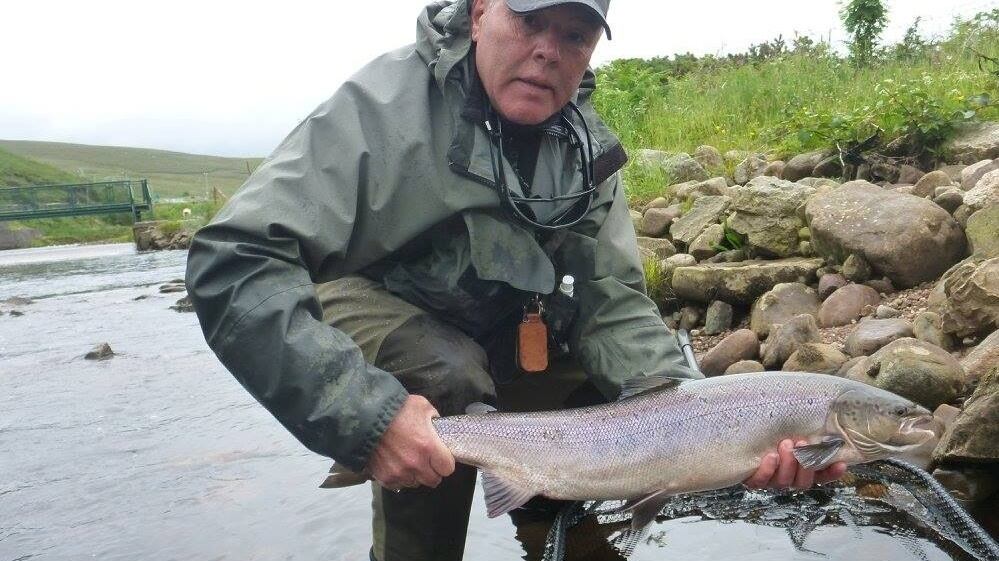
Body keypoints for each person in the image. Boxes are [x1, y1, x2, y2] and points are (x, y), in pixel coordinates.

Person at [185, 1, 846, 559]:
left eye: (573, 34)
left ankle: (557, 529)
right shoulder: (380, 111)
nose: (547, 51)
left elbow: (611, 300)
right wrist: (364, 415)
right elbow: (232, 258)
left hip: (506, 328)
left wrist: (703, 422)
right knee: (446, 372)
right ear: (477, 14)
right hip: (371, 319)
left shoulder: (588, 150)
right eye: (528, 21)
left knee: (605, 388)